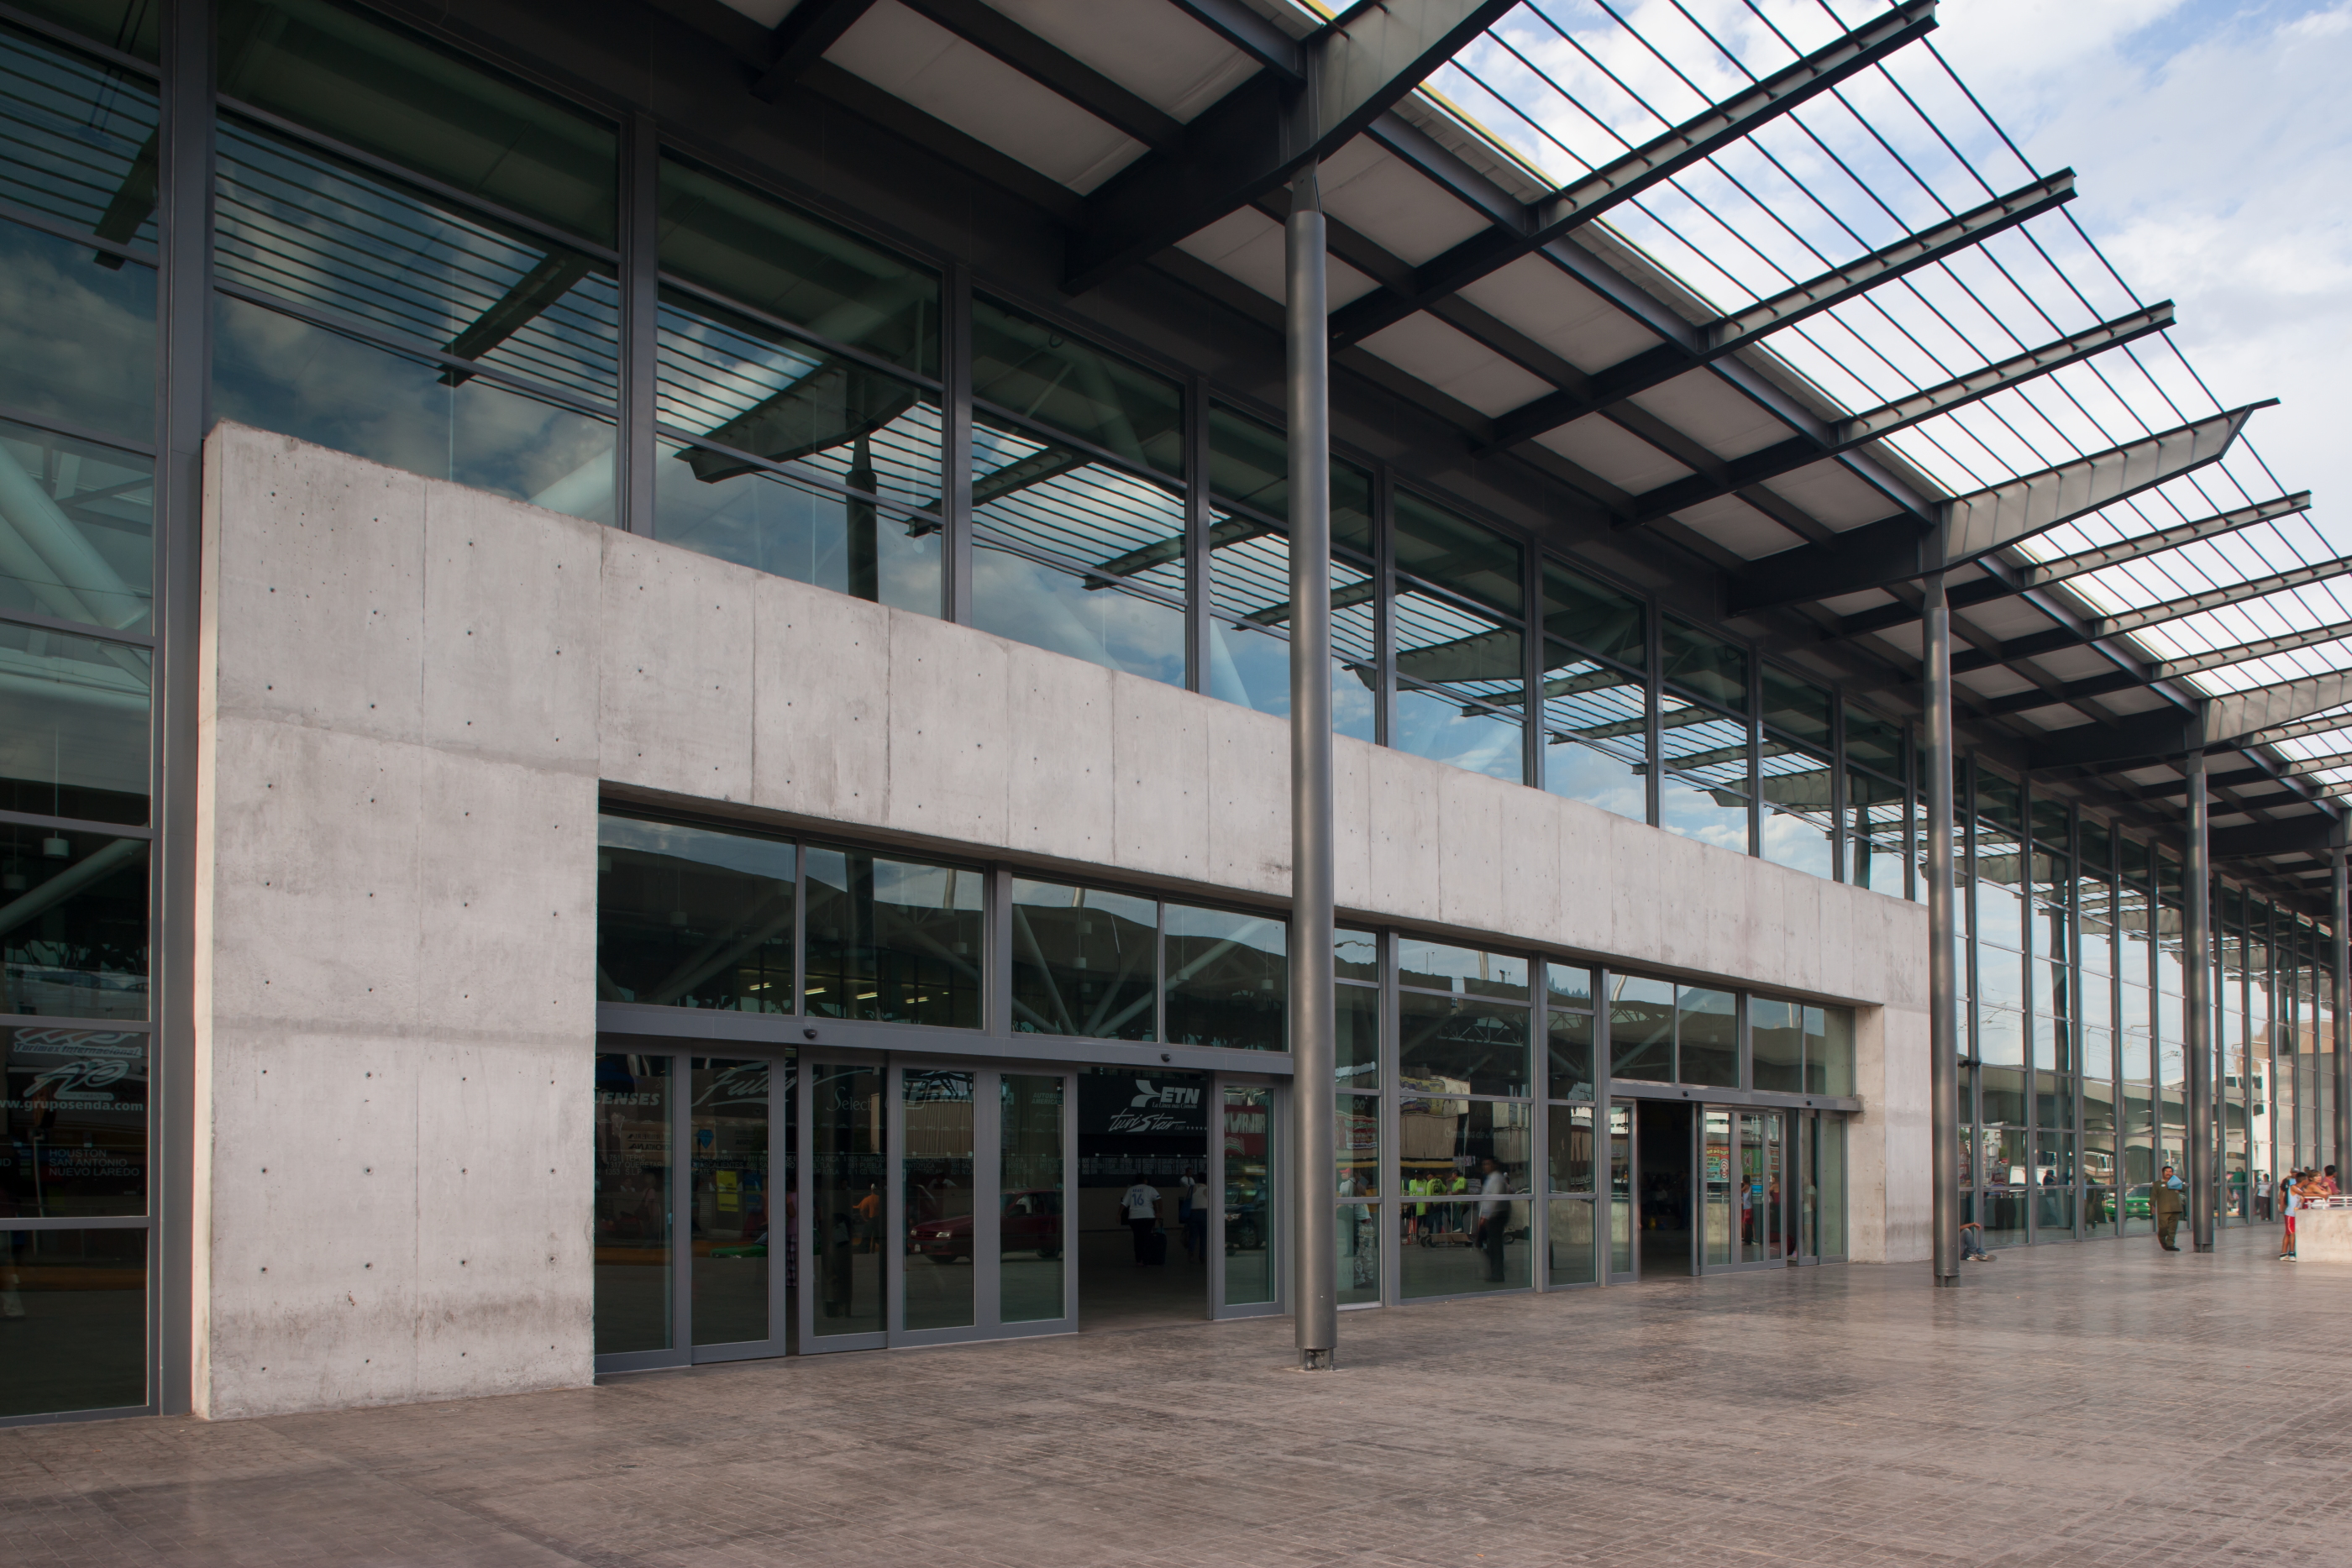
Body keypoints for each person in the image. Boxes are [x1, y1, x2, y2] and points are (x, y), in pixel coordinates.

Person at [1474, 1156, 1510, 1282]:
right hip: (1490, 1216)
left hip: (1496, 1216)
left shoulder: (1497, 1179)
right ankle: (1497, 1268)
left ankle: (1498, 1272)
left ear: (1494, 1165)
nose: (1485, 1167)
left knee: (1495, 1246)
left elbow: (1494, 1200)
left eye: (1488, 1164)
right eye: (1484, 1164)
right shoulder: (1490, 1179)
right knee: (1487, 1245)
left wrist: (1485, 1217)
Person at [1121, 1177, 1162, 1265]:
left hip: (1134, 1217)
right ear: (1145, 1180)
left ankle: (1138, 1259)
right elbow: (1158, 1200)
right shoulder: (1150, 1189)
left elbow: (1124, 1203)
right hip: (1148, 1216)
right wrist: (1159, 1213)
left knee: (1137, 1238)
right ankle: (1146, 1259)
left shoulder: (1131, 1189)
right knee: (1147, 1238)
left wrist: (1118, 1214)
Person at [2152, 1163, 2187, 1251]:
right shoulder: (2157, 1184)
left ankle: (2170, 1245)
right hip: (2164, 1209)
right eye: (2166, 1171)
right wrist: (2152, 1206)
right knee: (2163, 1227)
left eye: (2170, 1171)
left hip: (2175, 1208)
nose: (2168, 1173)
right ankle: (2163, 1241)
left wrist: (2177, 1179)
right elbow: (2153, 1196)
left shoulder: (2175, 1182)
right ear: (2163, 1173)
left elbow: (2184, 1188)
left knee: (2172, 1228)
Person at [1178, 1173, 1207, 1264]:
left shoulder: (1191, 1188)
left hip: (1192, 1214)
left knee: (1193, 1236)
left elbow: (1187, 1200)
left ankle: (1191, 1254)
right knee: (1203, 1237)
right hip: (1204, 1214)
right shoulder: (1208, 1189)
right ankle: (1202, 1256)